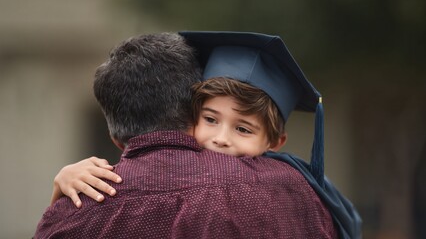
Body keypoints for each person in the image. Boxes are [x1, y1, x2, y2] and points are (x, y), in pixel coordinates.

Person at [35, 31, 341, 238]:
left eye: (244, 129)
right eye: (211, 119)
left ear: (275, 142)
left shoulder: (74, 213)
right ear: (191, 113)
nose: (222, 138)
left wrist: (59, 198)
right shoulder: (294, 191)